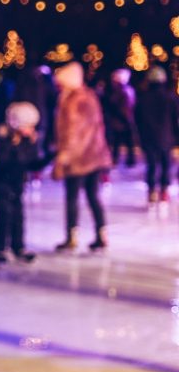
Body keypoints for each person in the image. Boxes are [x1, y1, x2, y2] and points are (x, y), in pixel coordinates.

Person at [52, 61, 112, 252]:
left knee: (72, 197)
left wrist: (64, 156)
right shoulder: (89, 95)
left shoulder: (72, 100)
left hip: (78, 157)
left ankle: (72, 237)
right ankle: (102, 235)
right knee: (93, 195)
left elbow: (72, 132)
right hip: (95, 155)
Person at [0, 102, 48, 263]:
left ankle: (18, 247)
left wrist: (50, 156)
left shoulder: (29, 141)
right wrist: (17, 147)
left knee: (19, 216)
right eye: (28, 125)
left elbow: (32, 164)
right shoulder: (6, 139)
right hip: (1, 184)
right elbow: (4, 162)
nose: (32, 129)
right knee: (5, 215)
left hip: (17, 184)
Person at [135, 66, 179, 207]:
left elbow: (137, 120)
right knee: (165, 164)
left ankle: (152, 191)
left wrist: (139, 136)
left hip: (148, 137)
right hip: (166, 137)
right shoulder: (170, 97)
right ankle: (164, 191)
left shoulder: (142, 98)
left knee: (152, 164)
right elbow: (175, 119)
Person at [102, 68, 137, 168]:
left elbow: (122, 106)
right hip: (123, 120)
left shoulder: (121, 92)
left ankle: (123, 159)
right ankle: (123, 159)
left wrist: (125, 117)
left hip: (122, 120)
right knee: (122, 141)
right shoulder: (126, 91)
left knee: (122, 141)